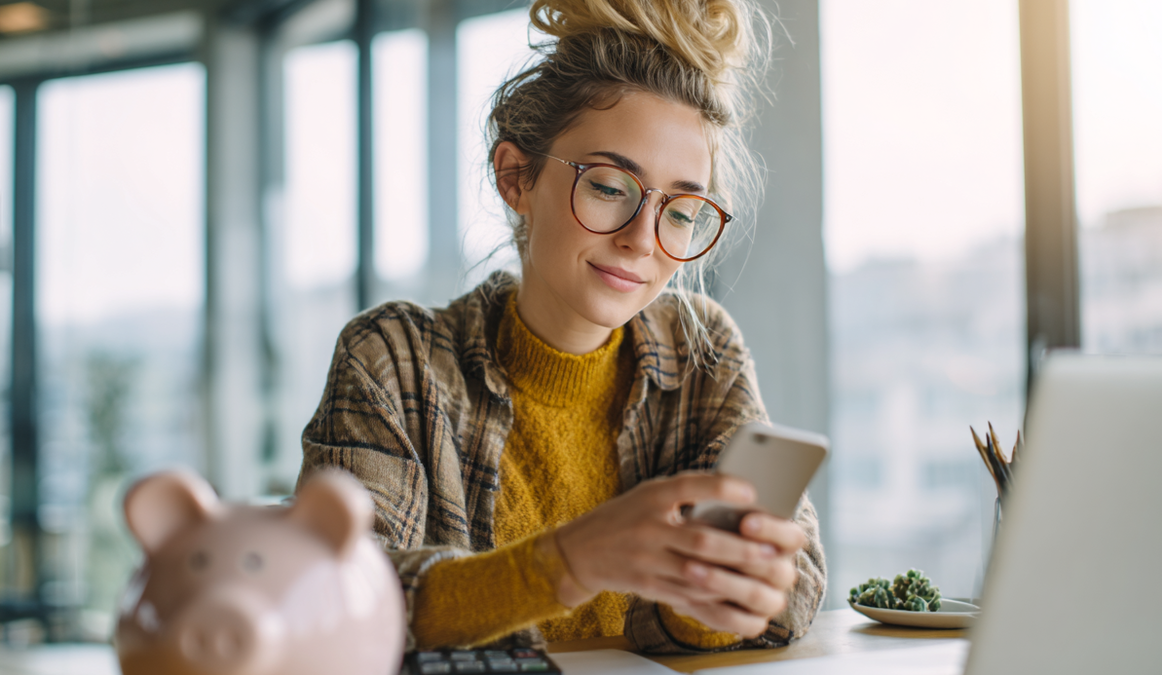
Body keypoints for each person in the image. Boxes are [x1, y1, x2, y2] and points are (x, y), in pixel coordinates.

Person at [296, 0, 826, 654]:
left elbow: (793, 594)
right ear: (516, 177)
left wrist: (723, 592)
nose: (642, 240)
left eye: (681, 211)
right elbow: (336, 601)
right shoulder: (394, 361)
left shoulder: (701, 349)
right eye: (608, 186)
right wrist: (571, 561)